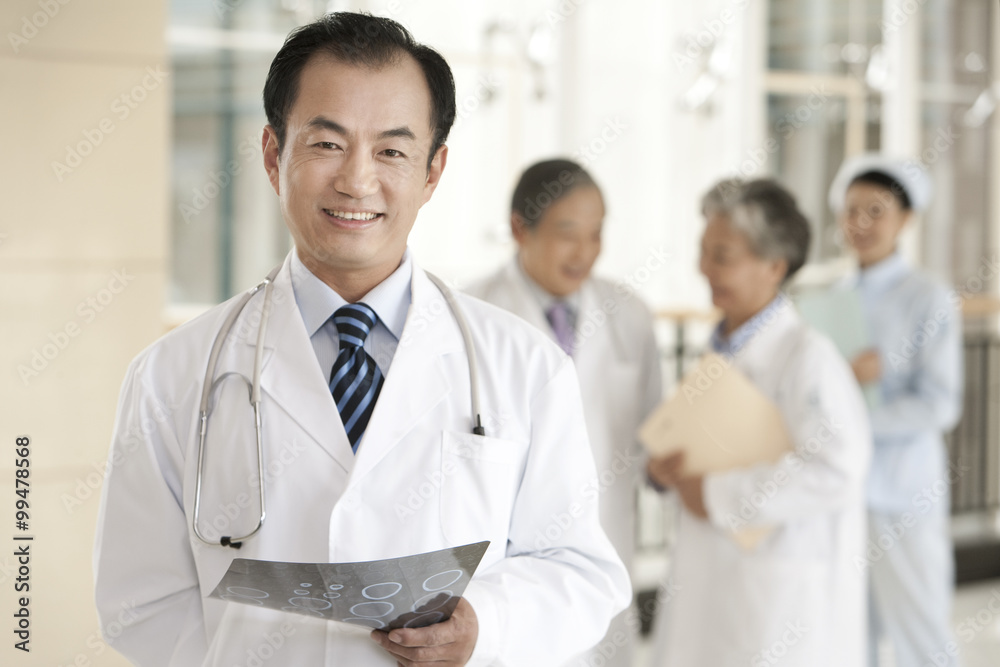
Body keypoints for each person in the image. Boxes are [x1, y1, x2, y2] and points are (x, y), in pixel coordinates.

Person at [93, 13, 629, 666]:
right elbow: (139, 599)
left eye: (392, 150)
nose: (356, 179)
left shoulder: (525, 367)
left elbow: (580, 573)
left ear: (433, 172)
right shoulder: (172, 376)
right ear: (272, 154)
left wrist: (483, 625)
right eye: (326, 144)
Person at [646, 178, 871, 666]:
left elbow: (838, 470)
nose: (704, 269)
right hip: (716, 584)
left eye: (722, 256)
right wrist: (671, 473)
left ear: (774, 266)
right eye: (703, 252)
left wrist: (714, 495)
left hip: (778, 596)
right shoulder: (721, 346)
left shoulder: (808, 357)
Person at [466, 158, 662, 667]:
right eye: (568, 234)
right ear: (518, 229)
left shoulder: (631, 316)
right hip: (506, 566)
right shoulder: (469, 316)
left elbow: (652, 435)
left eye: (597, 235)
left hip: (604, 548)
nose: (586, 253)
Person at [829, 154, 963, 667]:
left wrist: (859, 416)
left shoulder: (928, 296)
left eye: (875, 211)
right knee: (847, 630)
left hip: (903, 488)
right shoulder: (832, 295)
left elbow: (940, 403)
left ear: (905, 220)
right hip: (843, 488)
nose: (859, 224)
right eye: (851, 210)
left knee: (920, 630)